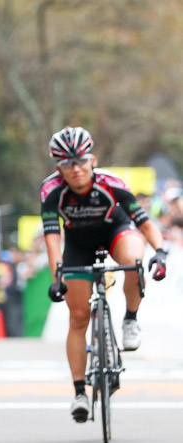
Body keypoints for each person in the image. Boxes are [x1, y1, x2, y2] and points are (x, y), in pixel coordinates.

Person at [41, 126, 166, 423]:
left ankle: (130, 319)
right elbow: (52, 238)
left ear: (93, 160)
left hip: (115, 231)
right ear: (59, 168)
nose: (76, 169)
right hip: (78, 244)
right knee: (78, 317)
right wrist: (57, 276)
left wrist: (160, 252)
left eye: (81, 161)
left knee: (134, 261)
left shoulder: (111, 183)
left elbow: (144, 222)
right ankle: (79, 392)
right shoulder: (51, 191)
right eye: (67, 164)